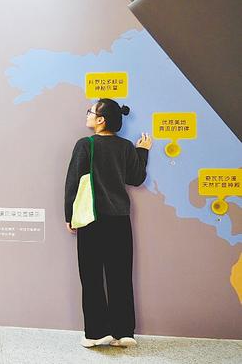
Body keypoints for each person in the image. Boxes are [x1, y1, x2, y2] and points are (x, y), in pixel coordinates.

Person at [65, 99, 152, 348]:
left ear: (101, 120)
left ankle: (96, 333)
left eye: (90, 112)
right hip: (119, 220)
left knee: (91, 277)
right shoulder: (125, 147)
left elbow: (73, 182)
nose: (88, 115)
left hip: (91, 218)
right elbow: (136, 178)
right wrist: (142, 151)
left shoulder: (85, 145)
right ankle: (124, 333)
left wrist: (69, 215)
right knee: (121, 277)